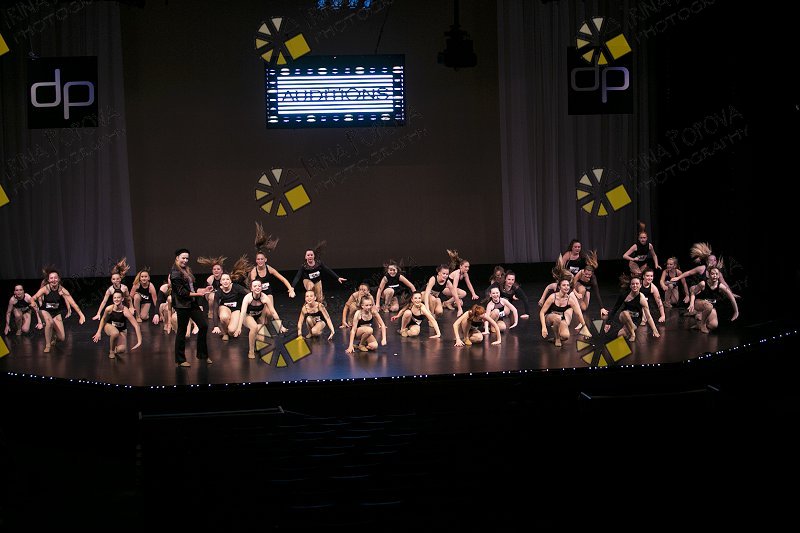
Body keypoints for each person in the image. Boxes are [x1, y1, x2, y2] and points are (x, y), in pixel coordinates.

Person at [170, 248, 214, 367]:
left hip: (191, 303)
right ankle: (180, 359)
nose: (185, 260)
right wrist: (198, 294)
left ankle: (202, 355)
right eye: (183, 258)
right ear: (177, 258)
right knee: (182, 330)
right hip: (182, 305)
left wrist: (203, 290)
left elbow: (192, 288)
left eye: (187, 258)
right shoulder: (175, 273)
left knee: (203, 326)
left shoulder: (187, 270)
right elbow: (182, 292)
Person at [30, 268, 86, 352]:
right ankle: (48, 345)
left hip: (56, 312)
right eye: (51, 278)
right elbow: (33, 297)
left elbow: (73, 303)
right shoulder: (45, 289)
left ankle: (54, 338)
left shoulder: (62, 290)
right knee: (49, 323)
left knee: (62, 338)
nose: (53, 280)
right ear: (49, 280)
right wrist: (32, 302)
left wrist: (81, 315)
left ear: (59, 279)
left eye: (55, 278)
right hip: (44, 311)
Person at [250, 222, 296, 321]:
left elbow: (283, 279)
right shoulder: (254, 271)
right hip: (258, 294)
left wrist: (290, 289)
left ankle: (268, 320)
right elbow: (252, 286)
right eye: (258, 259)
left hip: (268, 293)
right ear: (256, 261)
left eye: (262, 259)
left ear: (265, 260)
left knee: (269, 314)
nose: (260, 261)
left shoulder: (269, 268)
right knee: (262, 318)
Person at [601, 274, 660, 341]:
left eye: (637, 284)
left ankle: (628, 330)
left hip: (636, 319)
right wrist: (608, 322)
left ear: (640, 285)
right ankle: (632, 334)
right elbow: (615, 308)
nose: (635, 285)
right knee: (625, 313)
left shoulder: (641, 298)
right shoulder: (624, 295)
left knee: (621, 334)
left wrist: (654, 330)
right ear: (630, 286)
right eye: (633, 284)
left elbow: (648, 316)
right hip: (624, 316)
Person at [291, 241, 346, 307]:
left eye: (311, 255)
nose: (310, 256)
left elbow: (327, 269)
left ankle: (319, 305)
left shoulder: (318, 263)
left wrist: (337, 277)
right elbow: (298, 276)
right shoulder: (304, 266)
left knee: (319, 299)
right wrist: (292, 287)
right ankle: (307, 305)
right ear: (305, 257)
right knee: (311, 287)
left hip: (317, 281)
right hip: (307, 281)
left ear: (314, 256)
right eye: (308, 255)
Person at [687, 266, 739, 333]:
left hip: (710, 306)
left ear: (719, 275)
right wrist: (691, 303)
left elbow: (731, 297)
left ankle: (699, 325)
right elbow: (693, 293)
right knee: (709, 306)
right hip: (699, 303)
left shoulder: (720, 286)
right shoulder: (703, 283)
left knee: (714, 325)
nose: (715, 276)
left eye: (716, 274)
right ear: (708, 275)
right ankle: (703, 324)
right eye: (712, 274)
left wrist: (736, 312)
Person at [91, 290, 142, 358]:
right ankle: (111, 351)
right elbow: (103, 319)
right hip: (109, 326)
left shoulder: (125, 311)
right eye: (114, 298)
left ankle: (114, 348)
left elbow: (136, 325)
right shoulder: (109, 309)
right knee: (115, 333)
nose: (116, 299)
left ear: (122, 299)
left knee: (121, 349)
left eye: (118, 297)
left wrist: (139, 341)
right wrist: (98, 332)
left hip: (122, 330)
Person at [539, 278, 587, 347]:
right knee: (557, 318)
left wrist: (584, 327)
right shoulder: (553, 297)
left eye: (568, 285)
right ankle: (557, 339)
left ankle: (555, 338)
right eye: (564, 285)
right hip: (549, 317)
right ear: (559, 287)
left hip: (561, 318)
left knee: (566, 336)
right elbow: (542, 312)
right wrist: (543, 327)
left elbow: (579, 314)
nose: (566, 287)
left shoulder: (569, 299)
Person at [235, 279, 276, 359]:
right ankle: (251, 351)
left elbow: (273, 312)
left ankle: (255, 341)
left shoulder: (264, 297)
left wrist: (280, 325)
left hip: (258, 317)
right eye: (255, 286)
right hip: (247, 316)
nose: (257, 287)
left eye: (259, 286)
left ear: (261, 288)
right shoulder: (248, 297)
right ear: (251, 288)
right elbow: (242, 313)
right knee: (254, 327)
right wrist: (239, 327)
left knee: (262, 338)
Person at [211, 273, 249, 341]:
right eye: (223, 280)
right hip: (224, 308)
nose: (225, 281)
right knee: (224, 317)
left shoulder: (236, 287)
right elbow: (215, 308)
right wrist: (216, 326)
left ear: (230, 281)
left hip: (236, 309)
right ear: (221, 282)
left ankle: (227, 329)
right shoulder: (218, 292)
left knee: (231, 331)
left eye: (227, 279)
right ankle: (225, 333)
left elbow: (248, 293)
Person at [441, 250, 480, 315]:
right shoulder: (457, 273)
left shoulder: (465, 274)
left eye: (468, 267)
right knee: (463, 293)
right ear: (460, 266)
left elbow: (469, 284)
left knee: (460, 303)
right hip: (445, 289)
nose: (467, 268)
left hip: (451, 290)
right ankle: (447, 302)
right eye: (465, 267)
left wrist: (473, 293)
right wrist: (458, 303)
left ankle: (448, 303)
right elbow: (454, 288)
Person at [570, 251, 607, 319]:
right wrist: (575, 293)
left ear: (592, 274)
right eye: (586, 274)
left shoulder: (593, 279)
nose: (587, 276)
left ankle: (576, 302)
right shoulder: (580, 272)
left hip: (587, 289)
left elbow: (597, 293)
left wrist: (602, 308)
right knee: (582, 289)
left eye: (589, 275)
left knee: (584, 308)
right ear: (584, 271)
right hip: (578, 286)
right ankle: (575, 308)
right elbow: (572, 284)